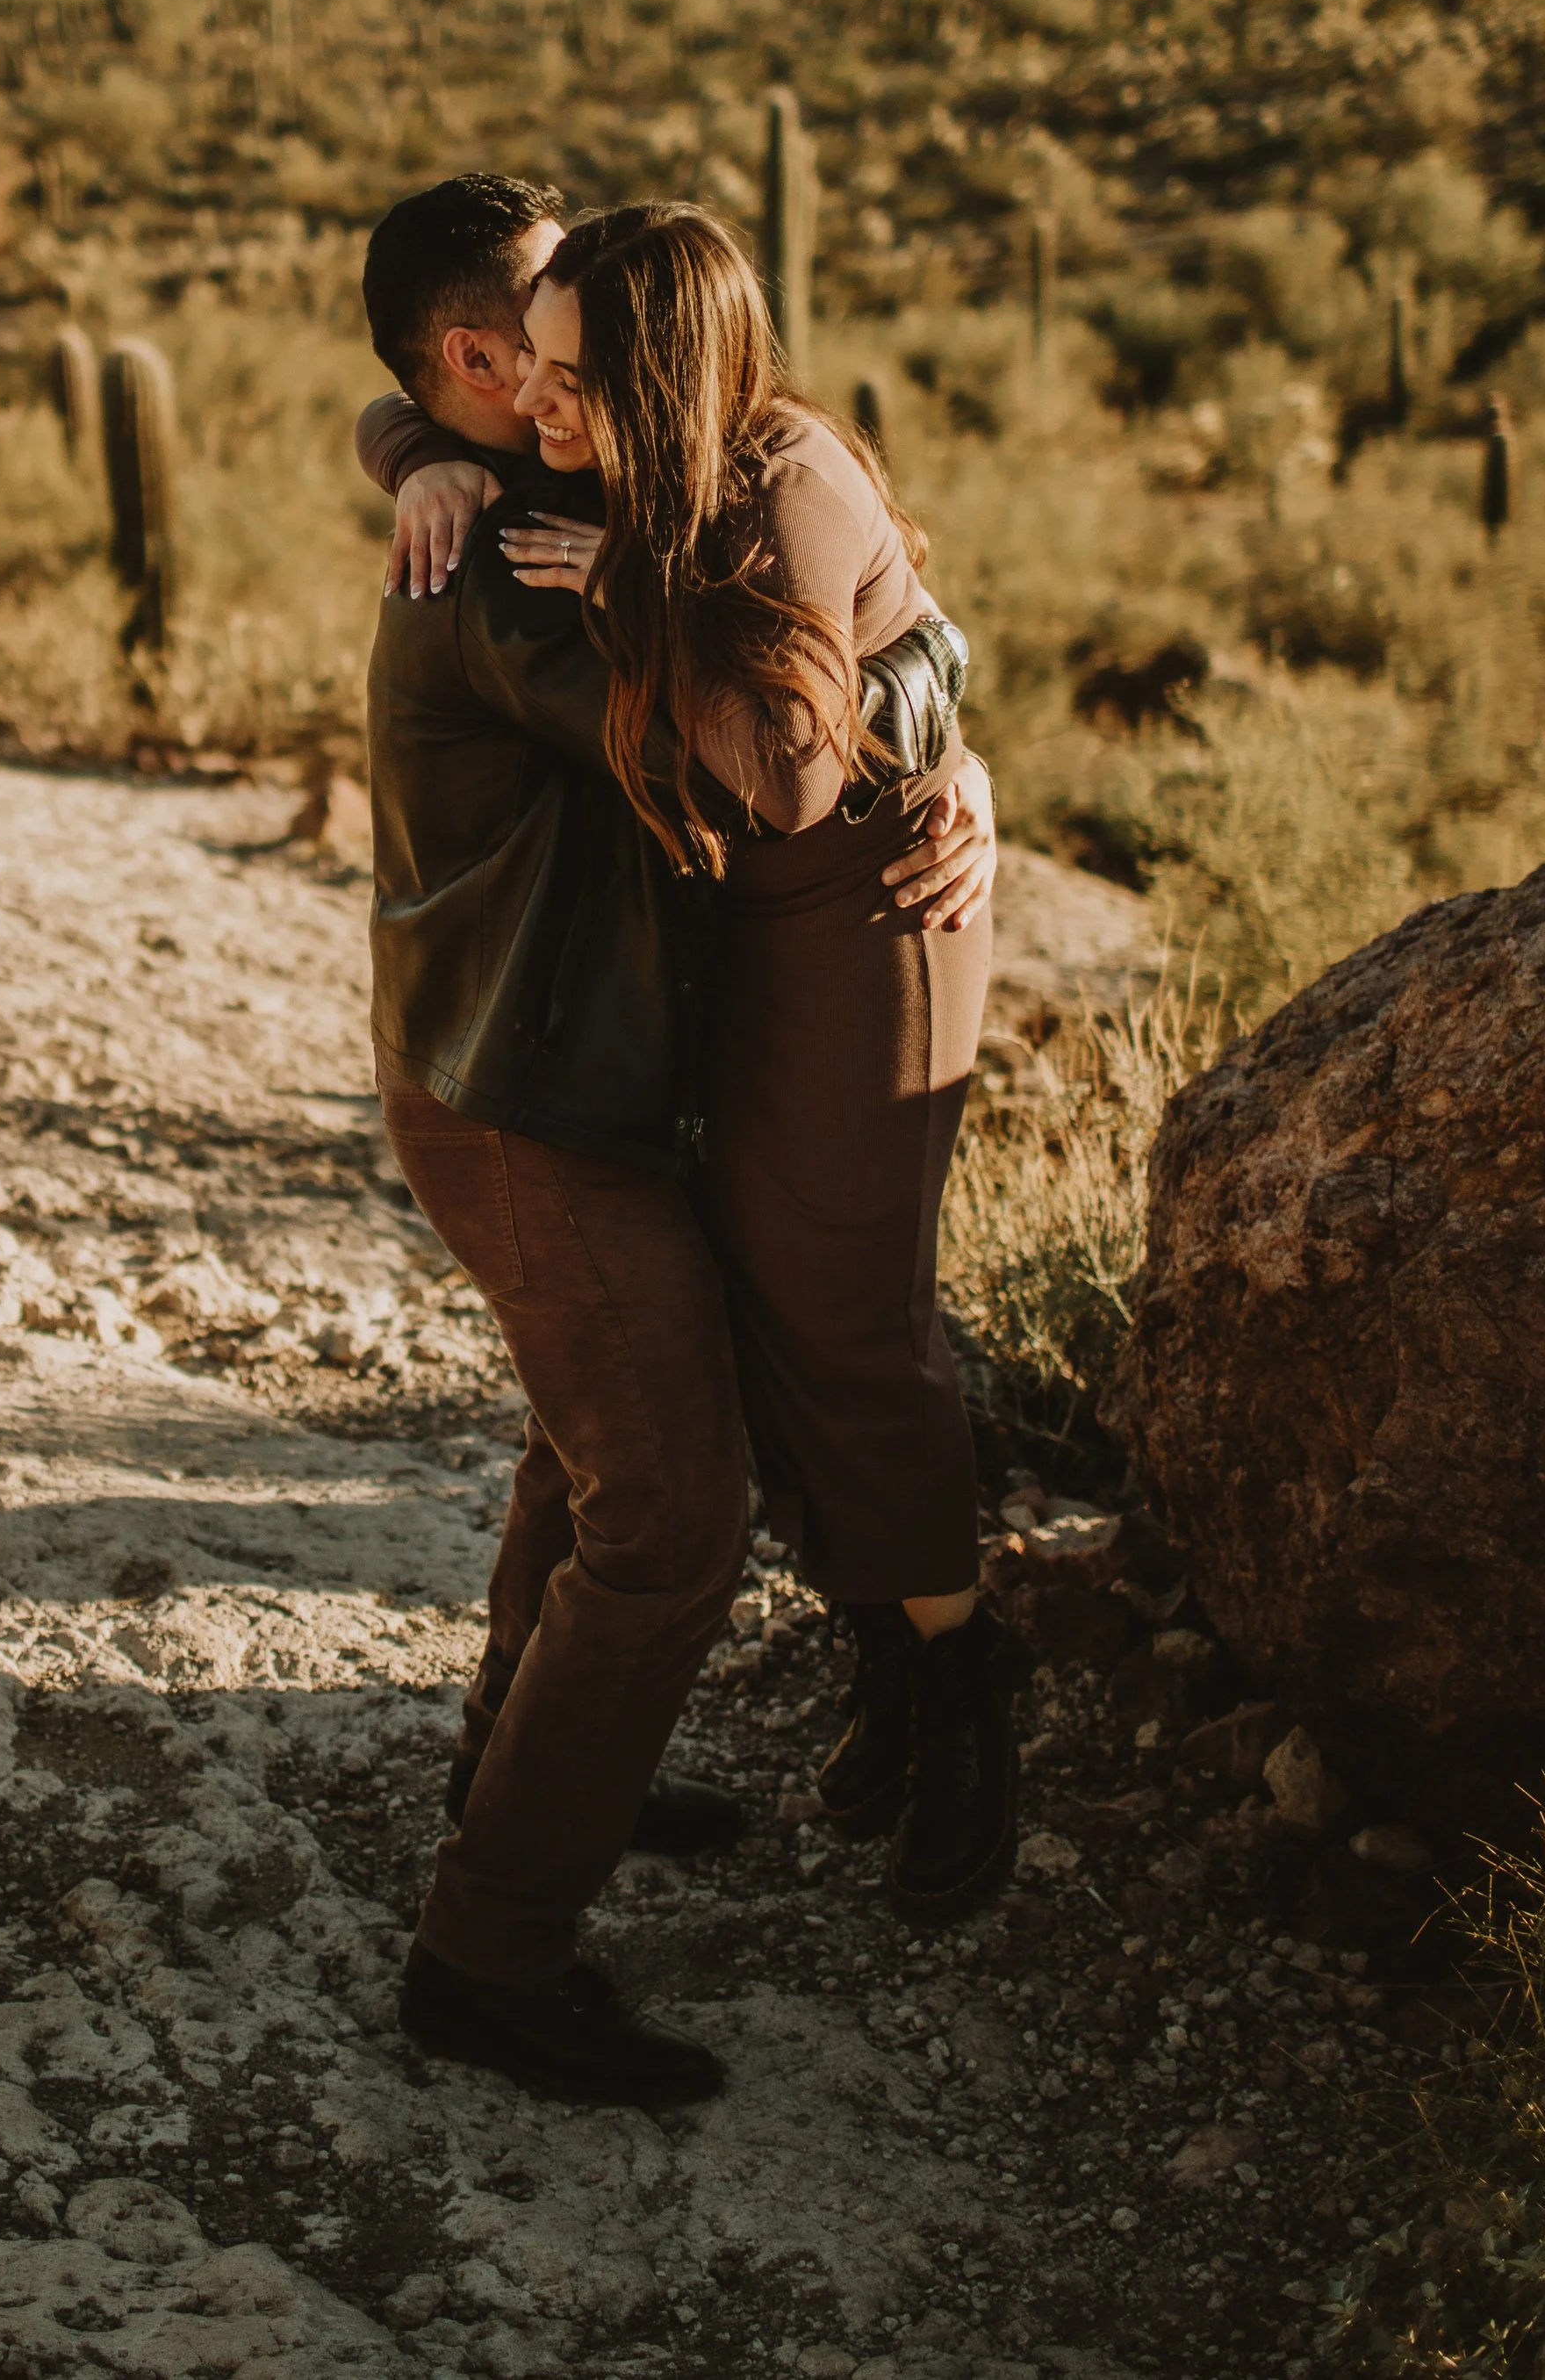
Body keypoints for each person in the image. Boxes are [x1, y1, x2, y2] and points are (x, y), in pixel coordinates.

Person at [356, 172, 989, 2108]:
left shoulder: (524, 498)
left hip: (576, 1078)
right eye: (520, 367)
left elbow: (781, 598)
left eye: (579, 364)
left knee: (596, 1448)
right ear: (480, 365)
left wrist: (918, 683)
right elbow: (739, 758)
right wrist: (906, 711)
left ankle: (521, 1776)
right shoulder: (483, 562)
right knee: (671, 1518)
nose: (545, 402)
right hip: (528, 1101)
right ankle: (489, 1953)